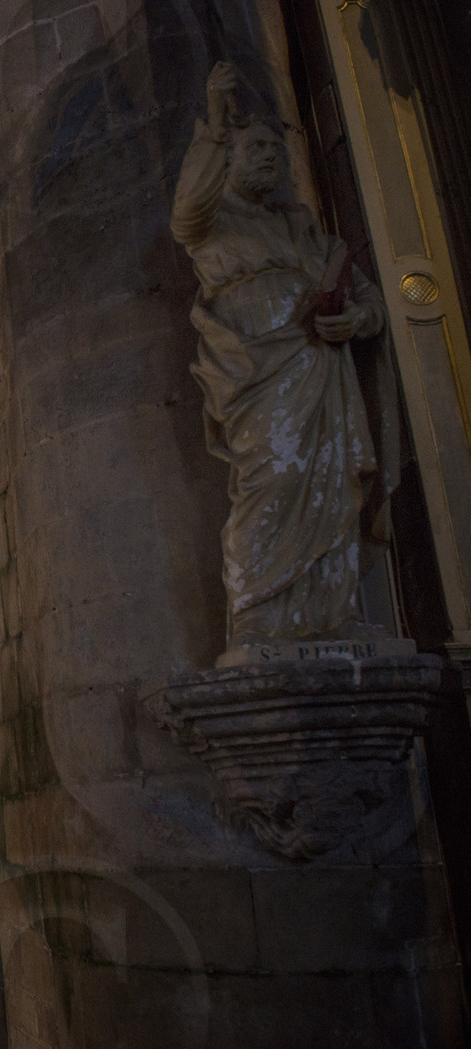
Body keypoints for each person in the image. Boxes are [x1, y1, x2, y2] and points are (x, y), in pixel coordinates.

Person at [171, 62, 389, 647]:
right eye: (257, 148)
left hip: (320, 363)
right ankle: (258, 614)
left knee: (330, 481)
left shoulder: (301, 227)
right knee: (273, 475)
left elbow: (367, 294)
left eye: (276, 148)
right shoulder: (213, 221)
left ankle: (332, 611)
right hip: (253, 364)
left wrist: (357, 319)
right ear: (228, 159)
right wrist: (216, 122)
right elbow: (186, 210)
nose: (271, 157)